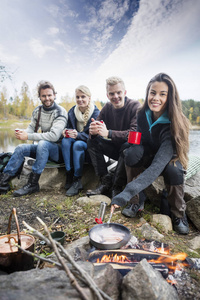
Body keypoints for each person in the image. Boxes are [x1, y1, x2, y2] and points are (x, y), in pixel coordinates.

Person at [111, 73, 190, 235]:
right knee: (131, 154)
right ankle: (136, 201)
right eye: (153, 93)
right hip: (149, 153)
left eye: (162, 94)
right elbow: (139, 140)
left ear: (170, 97)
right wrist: (134, 148)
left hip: (168, 158)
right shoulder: (141, 114)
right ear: (148, 93)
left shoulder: (174, 124)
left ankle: (178, 214)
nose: (156, 98)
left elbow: (157, 167)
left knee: (173, 169)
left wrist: (126, 191)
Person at [0, 81, 68, 197]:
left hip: (59, 151)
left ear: (54, 95)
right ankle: (3, 183)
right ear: (39, 97)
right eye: (43, 96)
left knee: (43, 143)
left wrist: (28, 136)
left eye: (49, 95)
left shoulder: (60, 111)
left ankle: (33, 184)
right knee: (21, 148)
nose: (47, 98)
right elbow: (31, 128)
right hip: (44, 149)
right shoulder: (38, 111)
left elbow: (54, 136)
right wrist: (23, 132)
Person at [87, 76, 141, 198]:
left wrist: (109, 133)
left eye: (118, 92)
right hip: (114, 149)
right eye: (112, 94)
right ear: (107, 95)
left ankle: (116, 186)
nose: (115, 96)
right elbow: (96, 128)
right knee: (92, 141)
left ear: (125, 92)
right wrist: (93, 131)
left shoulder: (135, 106)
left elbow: (134, 134)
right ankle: (105, 181)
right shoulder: (107, 108)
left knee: (128, 145)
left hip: (129, 151)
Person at [62, 85, 100, 196]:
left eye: (83, 96)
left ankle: (77, 180)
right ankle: (69, 173)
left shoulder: (96, 113)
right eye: (77, 97)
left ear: (89, 98)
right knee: (65, 141)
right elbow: (69, 127)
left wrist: (78, 135)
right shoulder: (72, 111)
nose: (80, 100)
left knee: (78, 144)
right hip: (75, 142)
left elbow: (95, 136)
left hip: (89, 147)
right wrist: (66, 132)